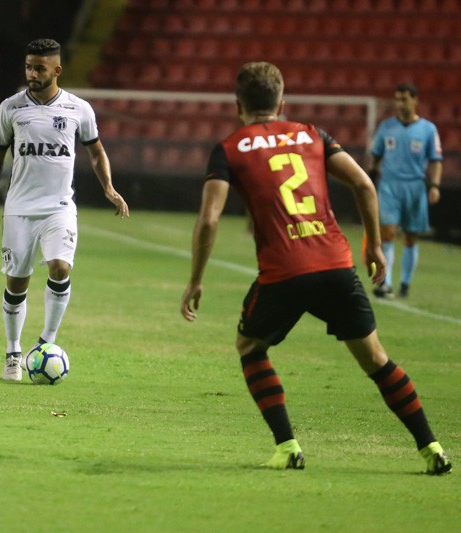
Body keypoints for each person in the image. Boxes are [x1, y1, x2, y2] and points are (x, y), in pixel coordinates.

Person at [179, 62, 451, 474]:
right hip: (336, 263)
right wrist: (374, 246)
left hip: (285, 270)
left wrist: (196, 279)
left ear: (238, 106)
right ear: (281, 102)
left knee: (250, 346)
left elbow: (209, 219)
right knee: (376, 359)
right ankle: (432, 448)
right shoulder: (312, 134)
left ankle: (288, 447)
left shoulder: (230, 148)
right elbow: (364, 184)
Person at [0, 38, 130, 382]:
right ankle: (13, 353)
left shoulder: (79, 109)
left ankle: (45, 343)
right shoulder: (10, 108)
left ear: (57, 70)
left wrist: (108, 187)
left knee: (60, 267)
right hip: (19, 209)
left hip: (59, 208)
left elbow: (96, 151)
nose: (32, 74)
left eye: (39, 68)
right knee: (17, 283)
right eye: (28, 67)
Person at [368, 83, 443, 298]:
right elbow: (375, 155)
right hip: (389, 185)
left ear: (414, 100)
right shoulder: (386, 127)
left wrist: (434, 186)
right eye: (397, 99)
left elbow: (435, 160)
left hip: (415, 186)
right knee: (388, 232)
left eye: (404, 99)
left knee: (410, 237)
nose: (400, 104)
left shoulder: (428, 129)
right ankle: (386, 283)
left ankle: (405, 284)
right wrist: (370, 180)